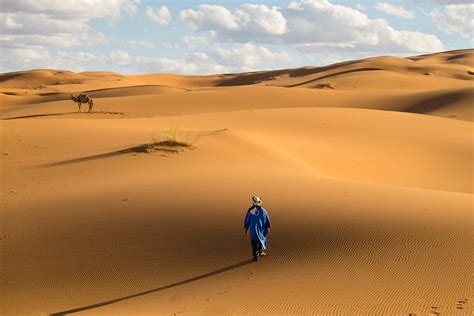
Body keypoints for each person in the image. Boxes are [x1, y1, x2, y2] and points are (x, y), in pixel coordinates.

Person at [244, 196, 271, 261]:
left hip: (253, 230)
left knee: (254, 242)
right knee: (260, 240)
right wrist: (268, 227)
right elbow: (267, 219)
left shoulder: (250, 211)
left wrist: (246, 228)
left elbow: (247, 220)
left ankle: (256, 255)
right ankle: (259, 253)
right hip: (261, 229)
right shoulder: (263, 210)